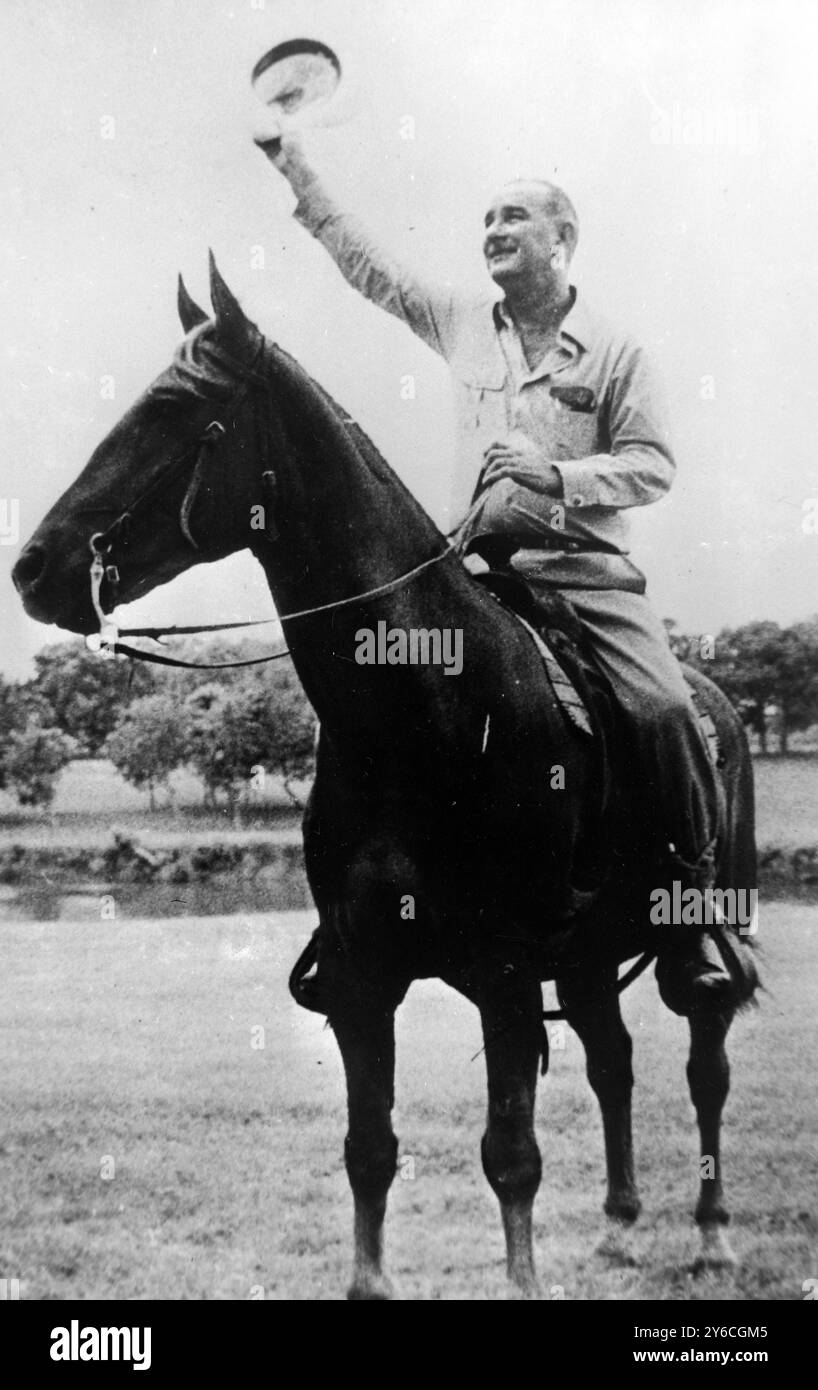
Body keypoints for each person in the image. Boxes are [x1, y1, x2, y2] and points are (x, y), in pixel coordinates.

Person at [262, 132, 735, 1012]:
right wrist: (293, 164)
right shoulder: (457, 320)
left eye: (514, 216)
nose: (493, 229)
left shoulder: (617, 352)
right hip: (471, 575)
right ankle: (347, 917)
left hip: (584, 576)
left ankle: (695, 910)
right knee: (365, 695)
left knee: (666, 707)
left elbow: (653, 465)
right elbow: (372, 269)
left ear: (562, 241)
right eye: (486, 217)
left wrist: (556, 476)